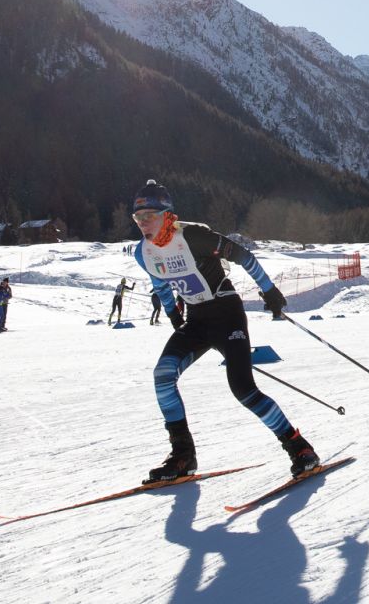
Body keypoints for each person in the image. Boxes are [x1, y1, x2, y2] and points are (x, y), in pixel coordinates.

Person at [129, 179, 319, 480]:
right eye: (138, 217)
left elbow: (244, 256)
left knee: (243, 389)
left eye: (149, 215)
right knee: (163, 375)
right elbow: (161, 286)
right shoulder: (143, 253)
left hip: (227, 314)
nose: (142, 222)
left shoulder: (193, 237)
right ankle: (182, 456)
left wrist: (269, 291)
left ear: (167, 215)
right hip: (197, 320)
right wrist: (175, 317)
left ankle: (299, 448)